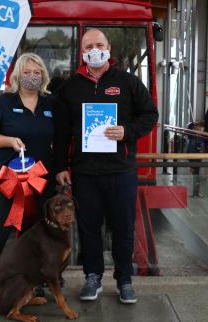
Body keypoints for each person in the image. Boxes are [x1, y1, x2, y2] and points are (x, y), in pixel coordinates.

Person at [54, 29, 158, 304]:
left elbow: (150, 115)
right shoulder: (71, 87)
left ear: (108, 48)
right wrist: (61, 165)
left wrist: (128, 131)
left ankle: (124, 280)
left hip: (121, 170)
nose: (94, 49)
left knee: (123, 227)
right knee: (89, 227)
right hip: (84, 172)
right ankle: (93, 277)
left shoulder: (128, 82)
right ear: (83, 52)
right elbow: (62, 131)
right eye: (89, 46)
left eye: (99, 44)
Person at [0, 53, 55, 313]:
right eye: (27, 71)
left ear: (43, 76)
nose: (32, 76)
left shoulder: (51, 104)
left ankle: (32, 287)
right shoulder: (3, 103)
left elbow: (59, 139)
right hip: (8, 182)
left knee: (34, 240)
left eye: (37, 72)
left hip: (41, 184)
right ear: (17, 75)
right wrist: (10, 141)